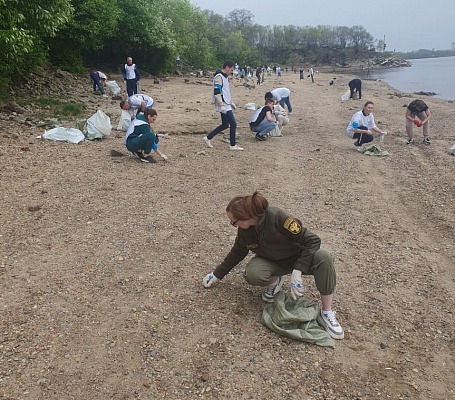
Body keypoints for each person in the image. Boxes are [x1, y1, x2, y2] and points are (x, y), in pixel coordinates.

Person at [202, 191, 344, 340]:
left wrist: (298, 270)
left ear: (247, 217)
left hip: (298, 258)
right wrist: (217, 274)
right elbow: (237, 252)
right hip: (273, 262)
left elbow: (312, 240)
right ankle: (276, 279)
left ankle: (326, 312)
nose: (233, 225)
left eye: (234, 222)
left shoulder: (279, 218)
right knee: (253, 274)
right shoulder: (245, 231)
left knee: (324, 257)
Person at [203, 60, 244, 151]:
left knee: (225, 124)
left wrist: (230, 102)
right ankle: (232, 145)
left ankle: (208, 138)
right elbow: (217, 92)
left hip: (226, 103)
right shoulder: (219, 77)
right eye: (231, 70)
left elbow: (225, 92)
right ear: (227, 68)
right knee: (233, 124)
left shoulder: (224, 77)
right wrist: (221, 104)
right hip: (223, 104)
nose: (232, 72)